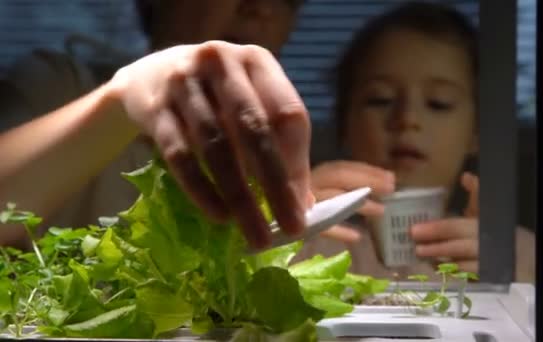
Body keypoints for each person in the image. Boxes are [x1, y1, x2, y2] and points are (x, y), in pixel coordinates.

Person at [0, 0, 316, 251]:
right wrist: (121, 100)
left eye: (287, 0)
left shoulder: (287, 145)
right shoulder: (58, 87)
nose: (261, 7)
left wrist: (305, 227)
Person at [293, 1, 536, 282]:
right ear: (344, 123)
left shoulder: (515, 252)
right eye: (380, 99)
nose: (407, 118)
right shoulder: (307, 241)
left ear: (477, 131)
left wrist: (516, 290)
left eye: (438, 103)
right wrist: (282, 225)